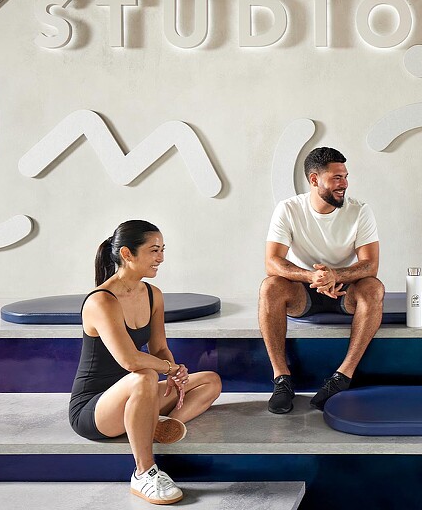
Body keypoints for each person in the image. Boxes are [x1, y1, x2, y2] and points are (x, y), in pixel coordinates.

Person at [69, 220, 222, 504]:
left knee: (210, 381)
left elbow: (160, 348)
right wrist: (168, 369)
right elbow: (129, 361)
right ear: (127, 254)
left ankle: (159, 426)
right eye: (154, 250)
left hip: (139, 391)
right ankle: (143, 472)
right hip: (94, 408)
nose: (161, 258)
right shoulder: (101, 301)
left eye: (162, 250)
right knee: (144, 375)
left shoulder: (153, 294)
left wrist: (175, 373)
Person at [259, 147, 384, 414]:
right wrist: (311, 276)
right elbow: (272, 262)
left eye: (346, 177)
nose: (344, 184)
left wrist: (335, 275)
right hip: (302, 290)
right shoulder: (288, 209)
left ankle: (342, 377)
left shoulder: (360, 211)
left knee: (374, 287)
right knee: (270, 286)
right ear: (314, 180)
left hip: (344, 291)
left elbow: (370, 265)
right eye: (337, 178)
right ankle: (282, 379)